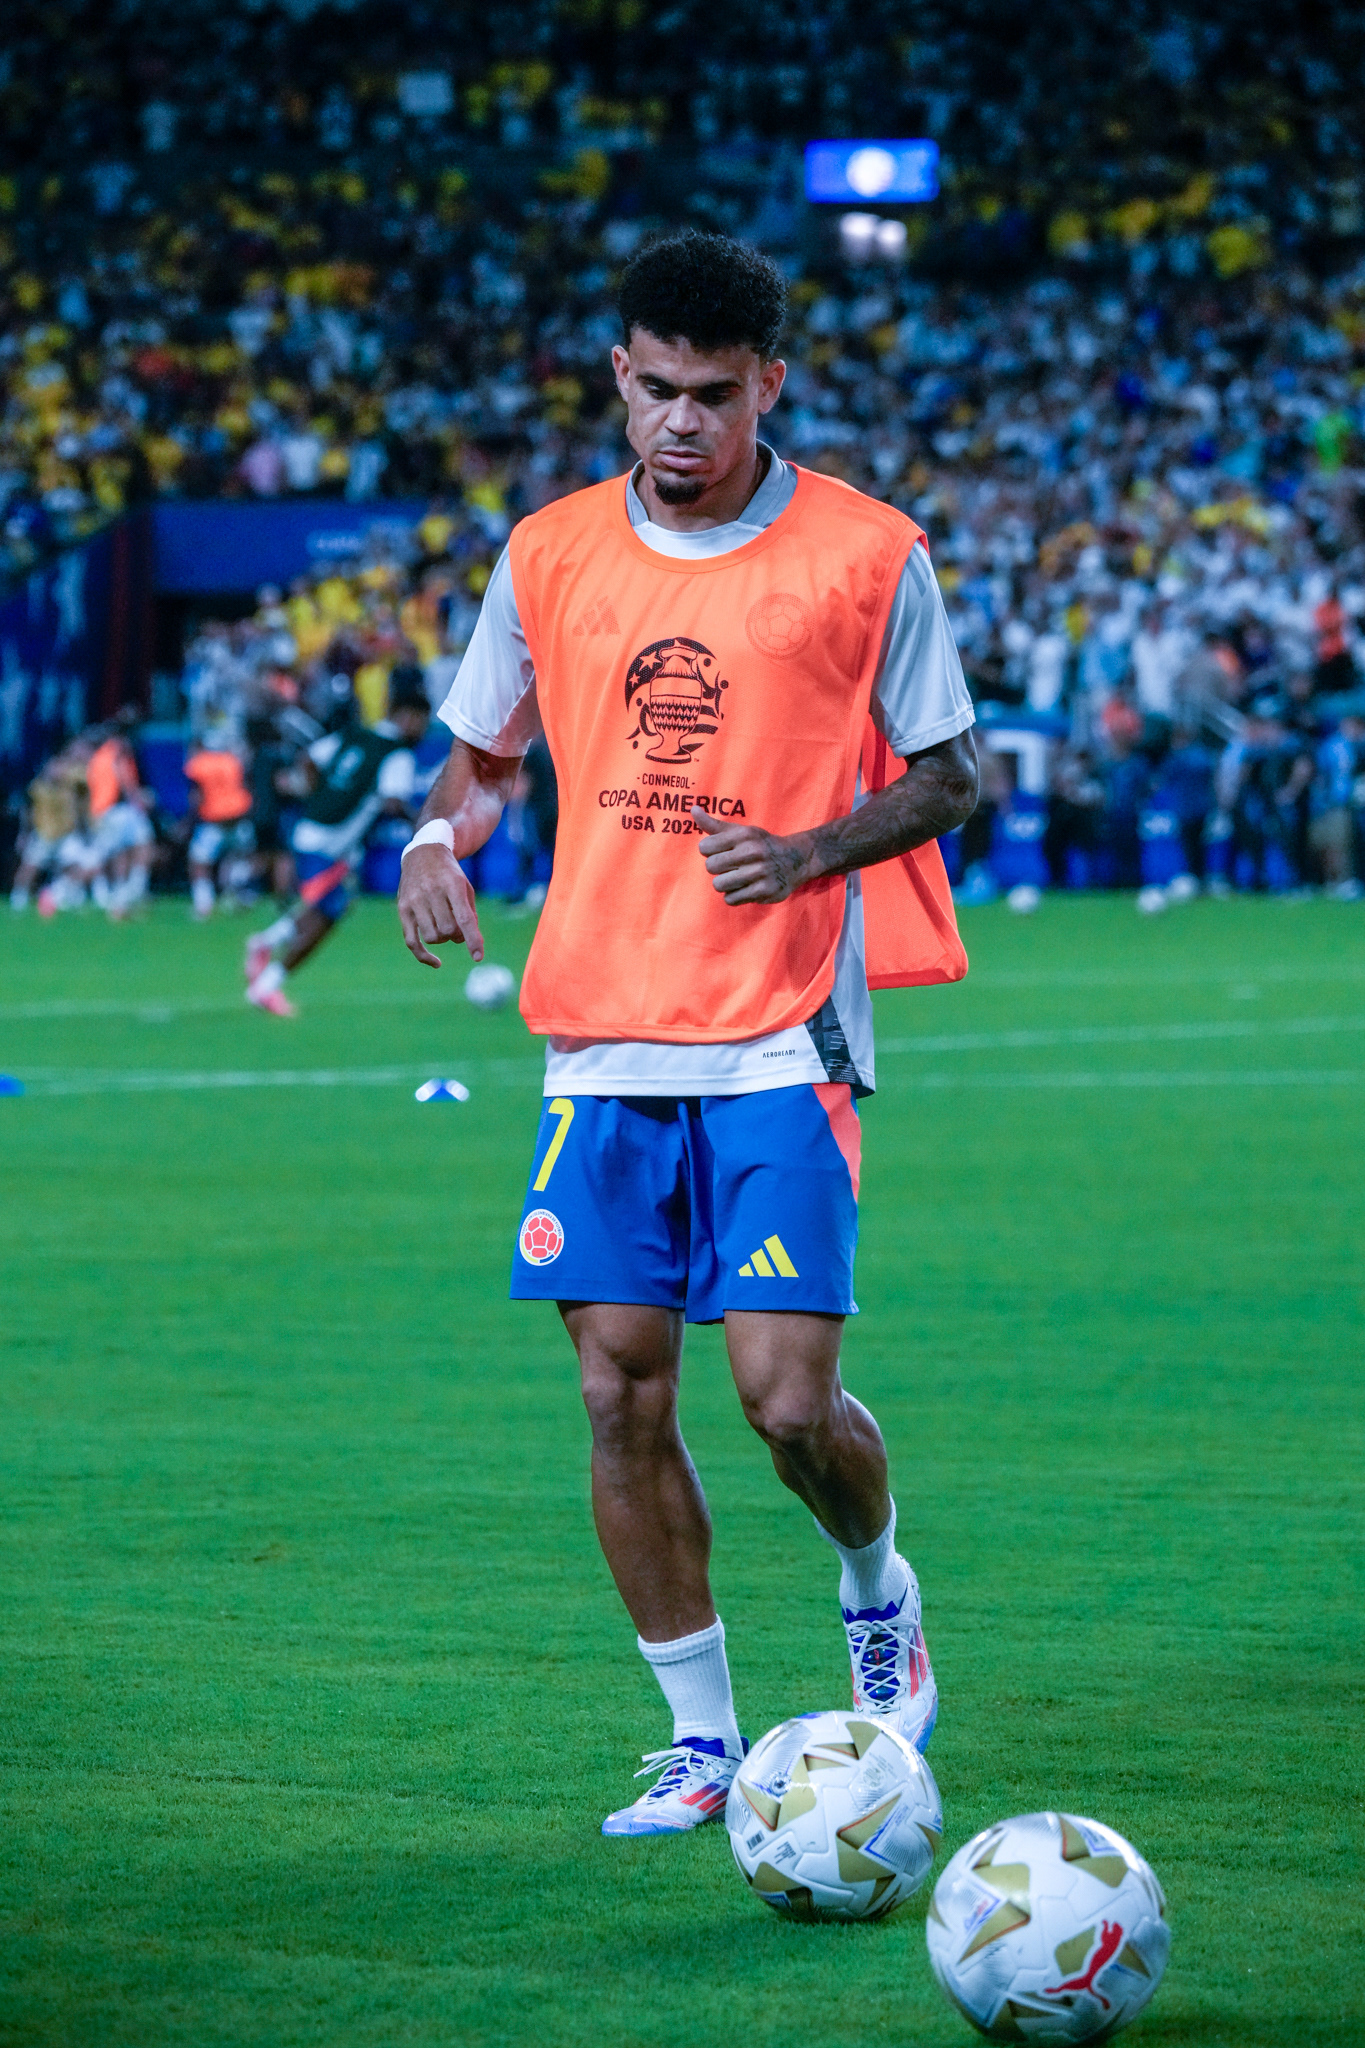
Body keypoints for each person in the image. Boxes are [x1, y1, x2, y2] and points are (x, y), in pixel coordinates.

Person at [396, 232, 979, 1838]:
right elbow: (482, 756)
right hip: (599, 1033)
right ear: (619, 377)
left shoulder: (869, 557)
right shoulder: (549, 554)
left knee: (785, 1406)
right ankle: (701, 1737)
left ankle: (875, 1587)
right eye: (654, 391)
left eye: (713, 397)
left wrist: (804, 854)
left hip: (781, 1030)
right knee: (617, 1396)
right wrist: (433, 843)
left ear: (767, 385)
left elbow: (952, 774)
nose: (679, 425)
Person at [244, 680, 431, 1016]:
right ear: (407, 716)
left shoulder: (355, 734)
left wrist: (319, 795)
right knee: (327, 912)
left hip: (312, 830)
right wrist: (425, 827)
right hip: (329, 842)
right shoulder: (397, 754)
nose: (424, 729)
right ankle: (265, 984)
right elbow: (393, 801)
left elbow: (309, 760)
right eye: (422, 720)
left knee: (331, 907)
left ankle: (264, 945)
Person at [184, 733, 254, 919]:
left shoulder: (200, 763)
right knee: (240, 858)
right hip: (239, 817)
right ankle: (237, 894)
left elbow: (196, 794)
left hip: (214, 820)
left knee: (199, 862)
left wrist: (189, 821)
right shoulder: (232, 760)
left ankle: (204, 903)